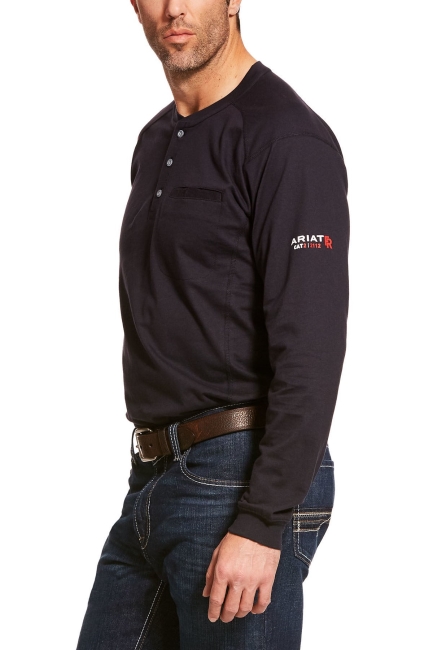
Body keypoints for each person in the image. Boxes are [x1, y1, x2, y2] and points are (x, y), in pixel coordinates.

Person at [76, 0, 350, 648]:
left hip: (238, 478)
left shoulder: (286, 138)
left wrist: (261, 520)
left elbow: (311, 346)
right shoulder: (155, 138)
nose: (174, 8)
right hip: (153, 476)